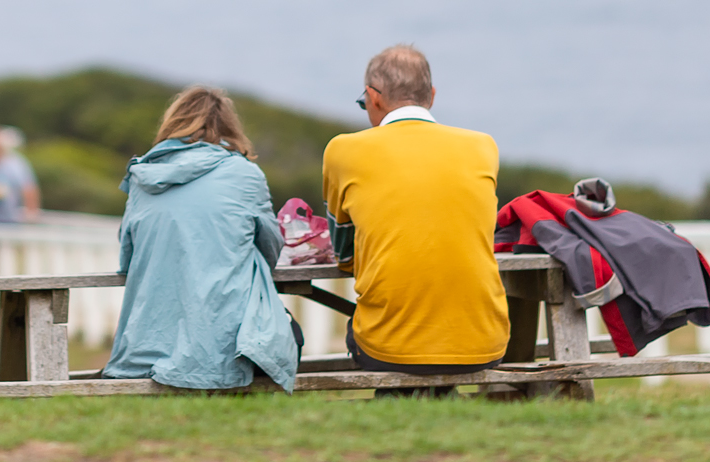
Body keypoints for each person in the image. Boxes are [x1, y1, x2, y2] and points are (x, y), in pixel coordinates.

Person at [323, 45, 510, 375]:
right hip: (484, 344)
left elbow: (344, 256)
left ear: (372, 96)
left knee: (375, 334)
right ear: (432, 96)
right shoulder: (484, 146)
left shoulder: (343, 150)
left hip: (387, 346)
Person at [102, 87, 300, 392]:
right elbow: (270, 247)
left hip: (145, 344)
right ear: (230, 128)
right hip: (223, 349)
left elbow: (127, 255)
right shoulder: (245, 175)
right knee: (289, 333)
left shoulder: (143, 176)